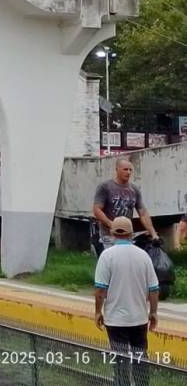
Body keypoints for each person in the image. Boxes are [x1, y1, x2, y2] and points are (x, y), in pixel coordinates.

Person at [94, 216, 159, 386]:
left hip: (115, 321)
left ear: (111, 233)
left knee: (120, 363)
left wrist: (97, 312)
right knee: (140, 360)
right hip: (139, 319)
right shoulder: (143, 256)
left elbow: (100, 290)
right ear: (131, 235)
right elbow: (154, 289)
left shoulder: (106, 256)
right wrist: (153, 312)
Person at [93, 158, 158, 251]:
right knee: (112, 262)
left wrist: (153, 233)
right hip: (108, 236)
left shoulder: (134, 190)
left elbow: (143, 214)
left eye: (130, 170)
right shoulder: (105, 187)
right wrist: (112, 224)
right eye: (125, 169)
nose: (128, 172)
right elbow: (97, 210)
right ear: (117, 169)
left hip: (127, 236)